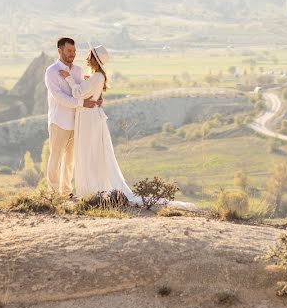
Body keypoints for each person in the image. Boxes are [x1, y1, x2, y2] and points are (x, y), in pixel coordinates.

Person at [60, 44, 194, 209]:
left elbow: (78, 93)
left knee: (89, 151)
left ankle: (90, 189)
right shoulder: (97, 77)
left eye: (89, 55)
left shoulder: (96, 77)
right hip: (88, 115)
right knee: (89, 151)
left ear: (95, 58)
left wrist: (68, 78)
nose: (86, 58)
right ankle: (90, 188)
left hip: (89, 118)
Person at [44, 37, 101, 197]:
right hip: (59, 121)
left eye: (74, 51)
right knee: (55, 158)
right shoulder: (51, 71)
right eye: (69, 51)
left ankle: (66, 192)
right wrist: (83, 103)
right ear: (60, 51)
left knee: (70, 159)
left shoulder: (78, 70)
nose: (72, 54)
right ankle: (53, 194)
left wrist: (96, 98)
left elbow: (83, 90)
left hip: (77, 122)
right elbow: (59, 97)